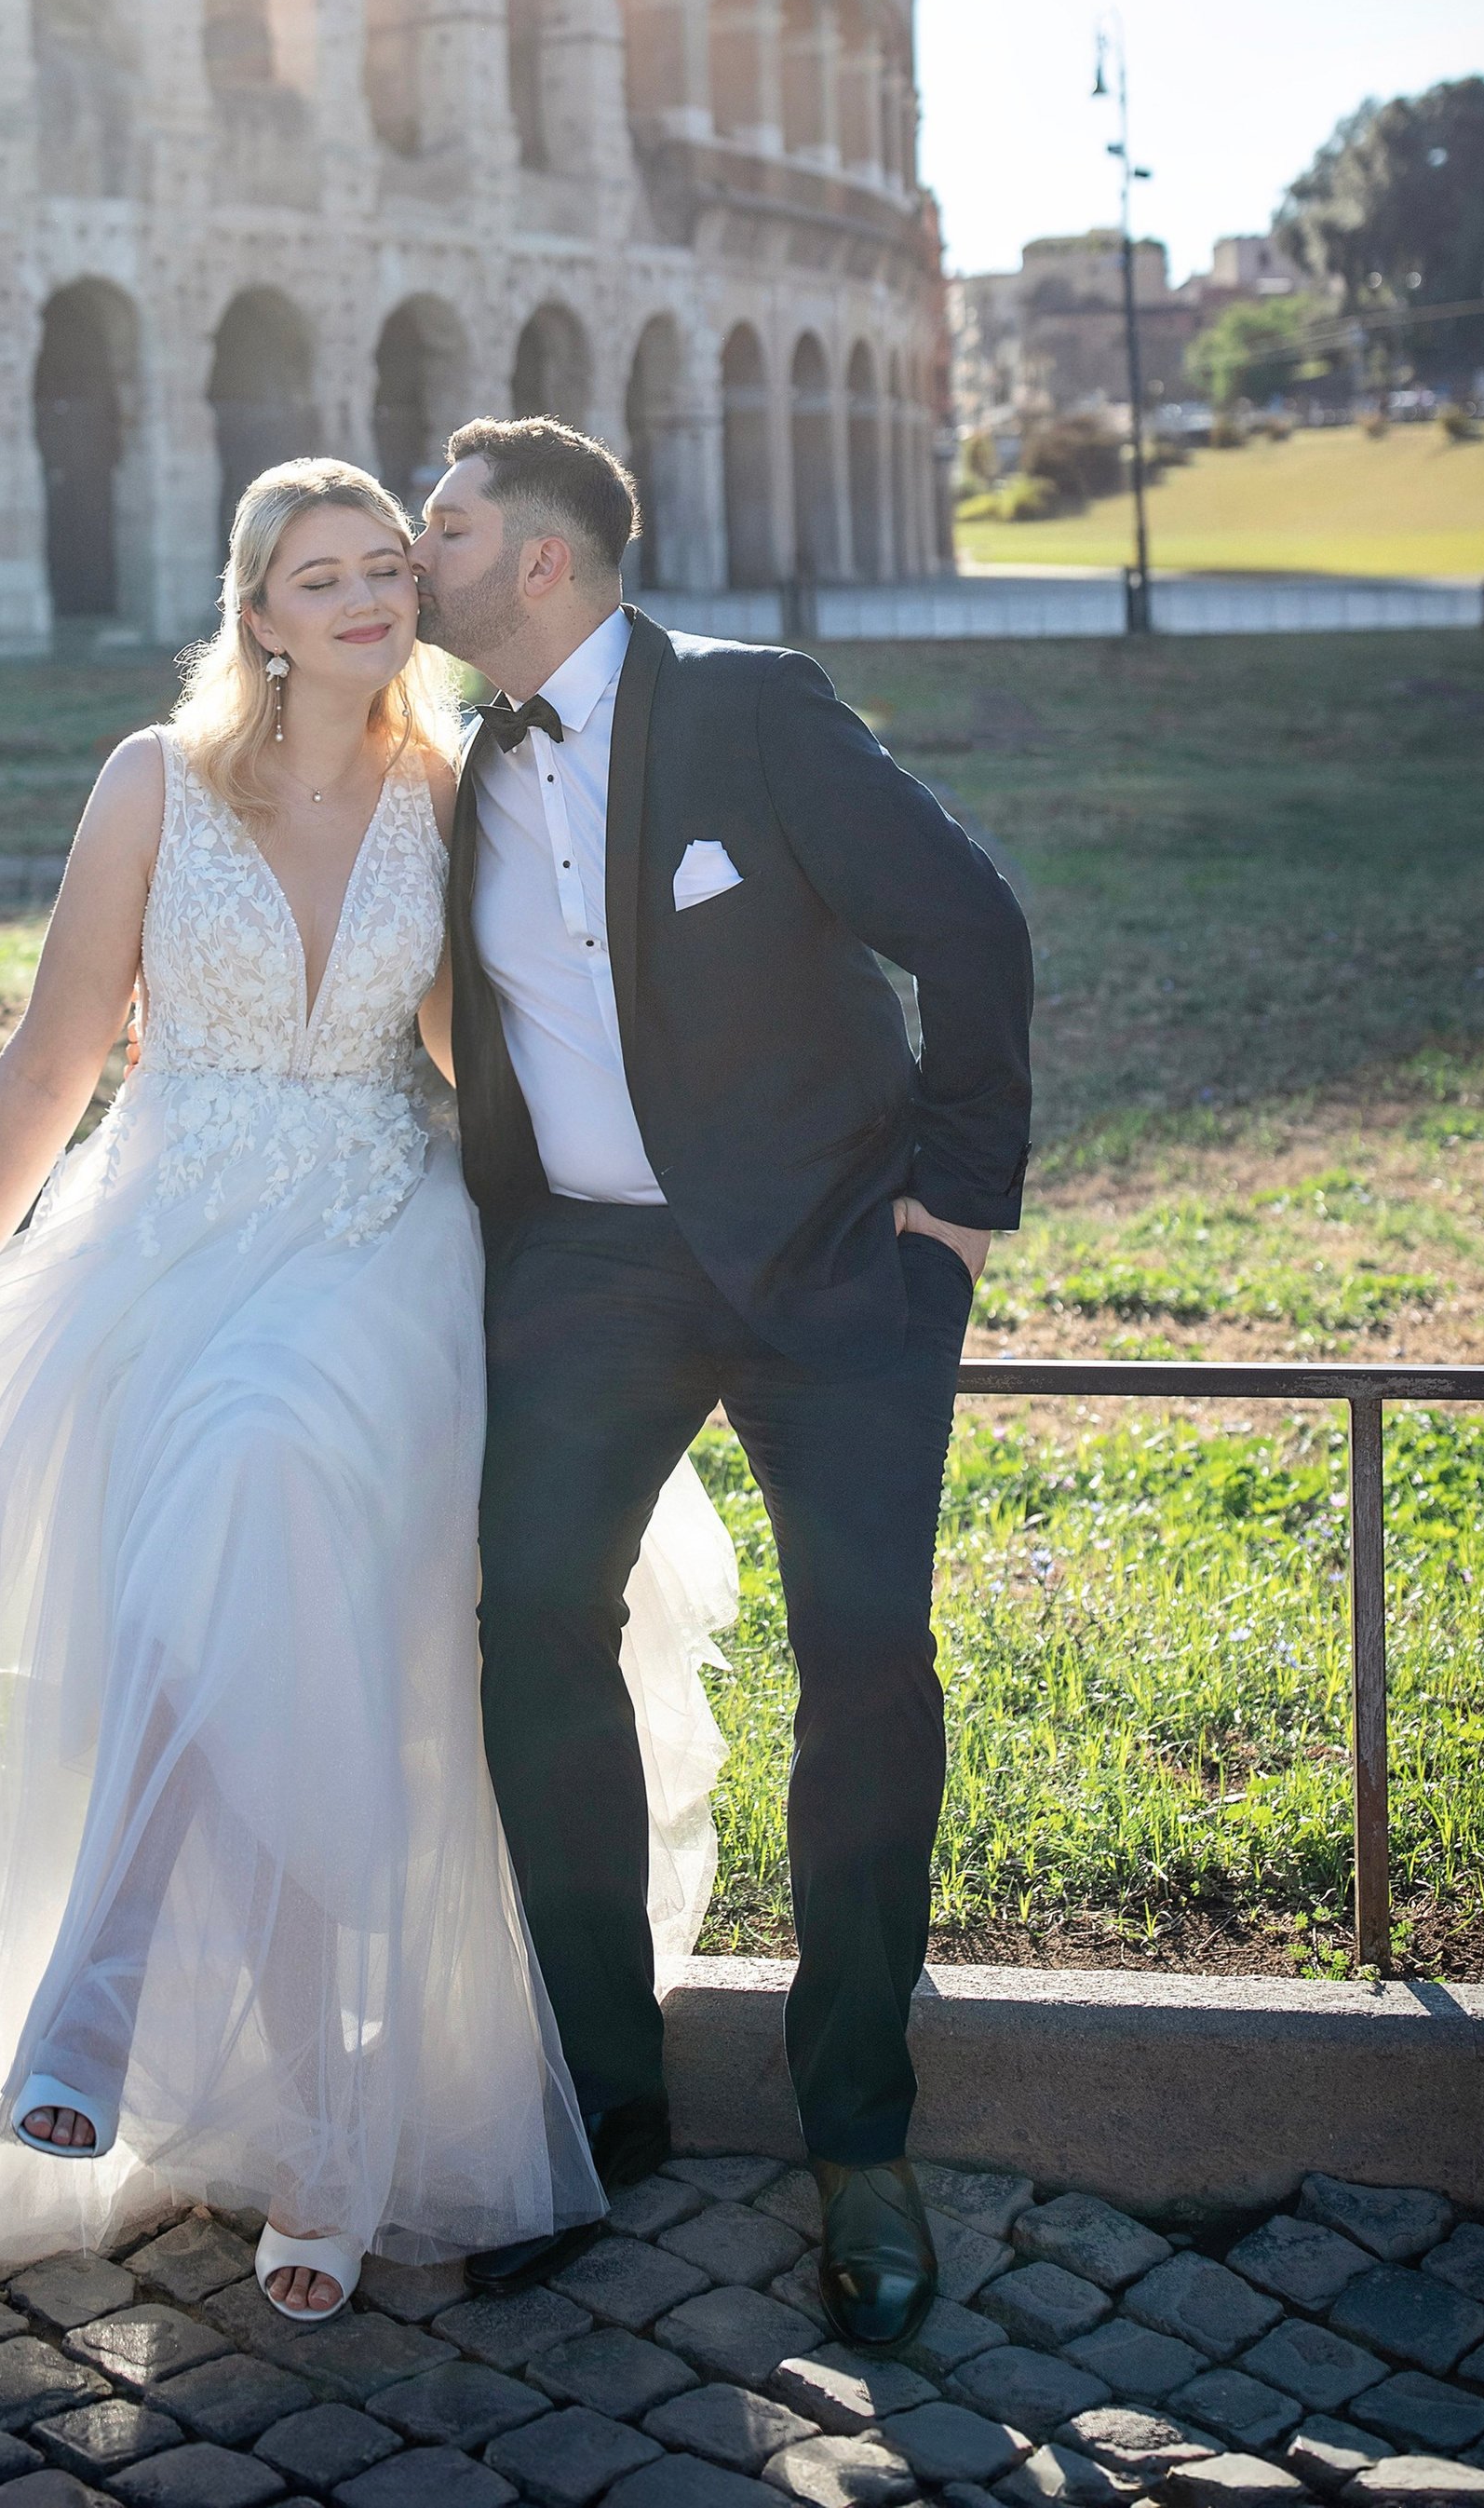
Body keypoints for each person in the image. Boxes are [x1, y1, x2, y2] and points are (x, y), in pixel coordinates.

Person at [0, 460, 734, 2318]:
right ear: (255, 613)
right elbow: (51, 1055)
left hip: (374, 1240)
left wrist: (638, 1190)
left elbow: (479, 1049)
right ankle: (320, 2140)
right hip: (169, 1232)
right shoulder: (151, 784)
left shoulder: (450, 789)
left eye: (382, 568)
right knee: (237, 1608)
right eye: (317, 576)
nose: (362, 597)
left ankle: (101, 1987)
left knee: (262, 1466)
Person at [411, 415, 1034, 2351]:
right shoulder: (453, 764)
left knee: (864, 1662)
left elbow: (969, 924)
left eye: (443, 527)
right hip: (590, 1271)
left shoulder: (753, 711)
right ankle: (603, 2101)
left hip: (836, 1262)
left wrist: (954, 1211)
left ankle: (860, 2133)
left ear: (542, 560)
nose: (416, 555)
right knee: (528, 1623)